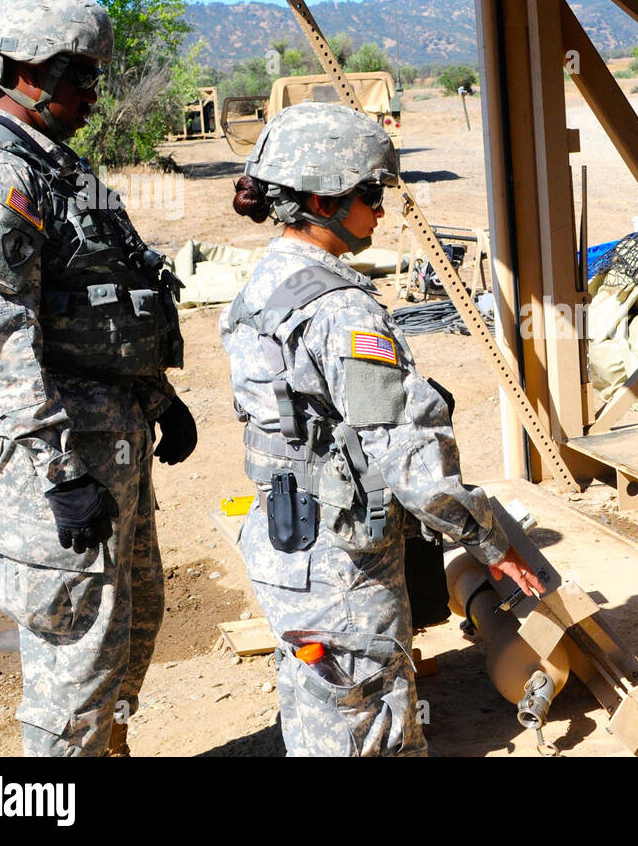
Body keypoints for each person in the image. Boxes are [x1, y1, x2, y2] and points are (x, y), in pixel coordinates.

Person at [220, 101, 543, 757]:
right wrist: (487, 537)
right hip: (342, 570)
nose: (380, 209)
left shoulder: (263, 285)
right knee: (372, 730)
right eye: (369, 192)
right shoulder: (342, 311)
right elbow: (406, 454)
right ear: (319, 197)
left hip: (287, 548)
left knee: (319, 716)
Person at [0, 0, 194, 757]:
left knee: (124, 639)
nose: (92, 92)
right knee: (74, 671)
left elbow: (109, 302)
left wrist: (158, 394)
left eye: (93, 75)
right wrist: (58, 472)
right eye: (78, 74)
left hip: (110, 447)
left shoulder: (58, 169)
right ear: (25, 71)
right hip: (55, 470)